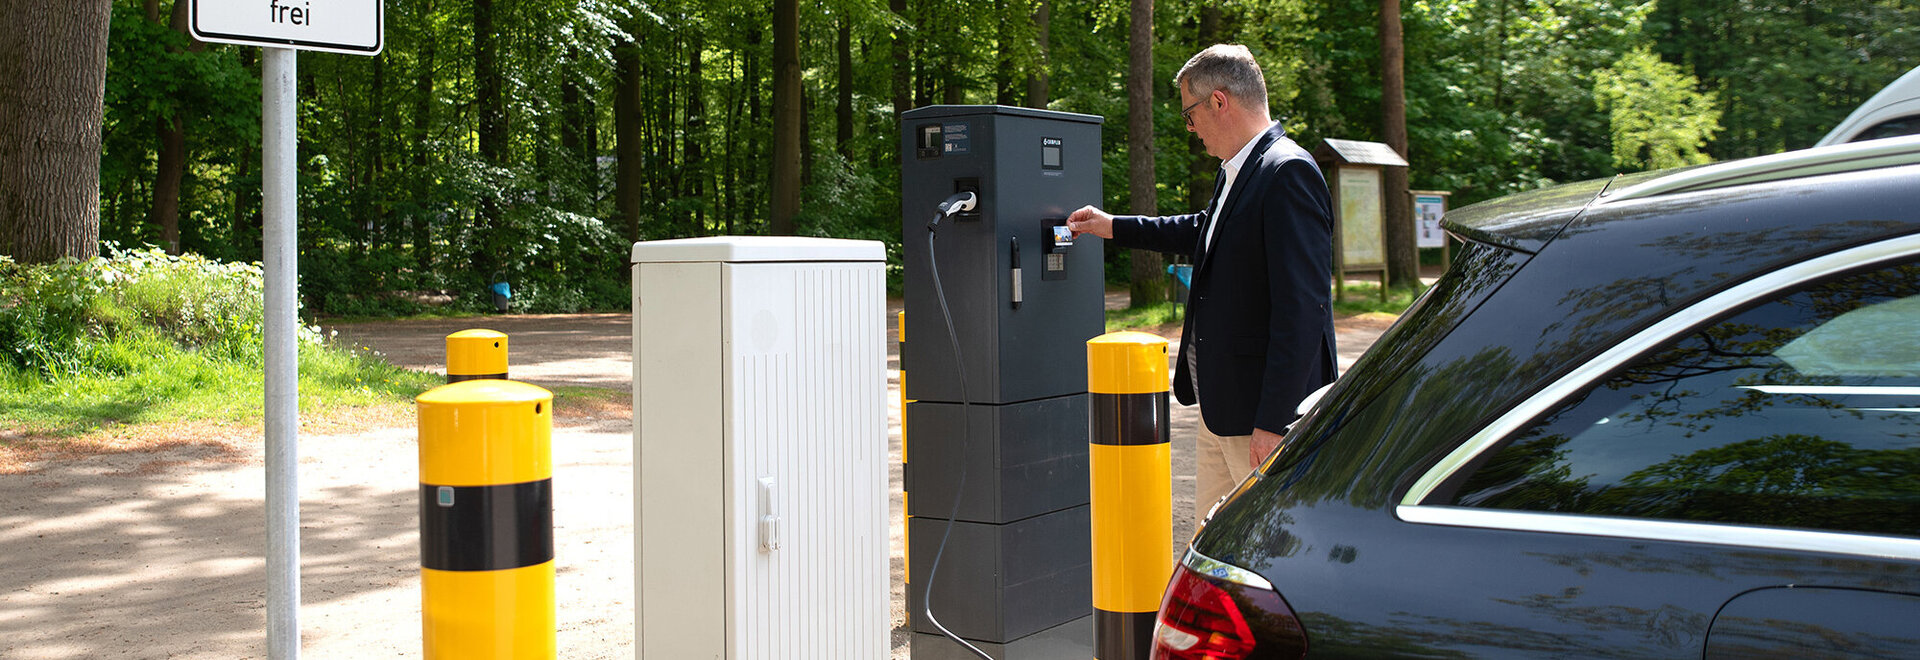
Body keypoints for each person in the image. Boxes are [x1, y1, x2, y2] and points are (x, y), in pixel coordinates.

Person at [1067, 44, 1336, 523]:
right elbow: (1203, 229)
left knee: (1265, 545)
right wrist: (1113, 226)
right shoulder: (1240, 169)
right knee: (1209, 544)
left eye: (1189, 114)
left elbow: (1302, 309)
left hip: (1259, 417)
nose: (1189, 128)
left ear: (1219, 101)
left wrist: (1275, 421)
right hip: (1222, 407)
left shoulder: (1286, 171)